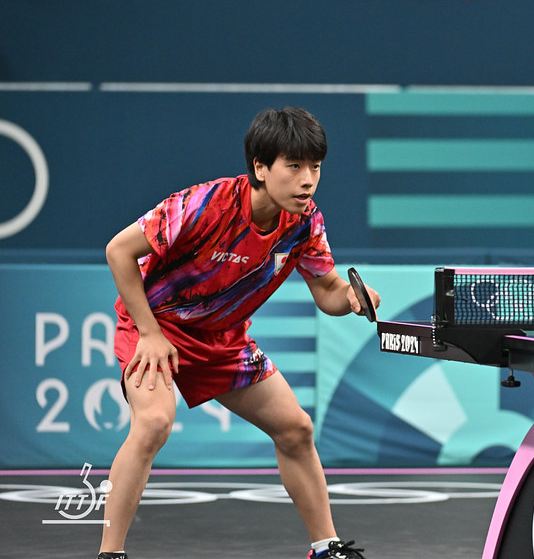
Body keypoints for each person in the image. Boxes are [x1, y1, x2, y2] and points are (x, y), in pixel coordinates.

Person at [97, 107, 378, 559]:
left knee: (296, 429)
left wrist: (351, 298)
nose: (308, 179)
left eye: (316, 167)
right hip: (157, 327)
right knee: (152, 423)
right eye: (295, 166)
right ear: (260, 168)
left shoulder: (304, 222)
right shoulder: (203, 205)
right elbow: (118, 252)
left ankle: (327, 549)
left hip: (222, 338)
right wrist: (149, 332)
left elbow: (326, 290)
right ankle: (110, 554)